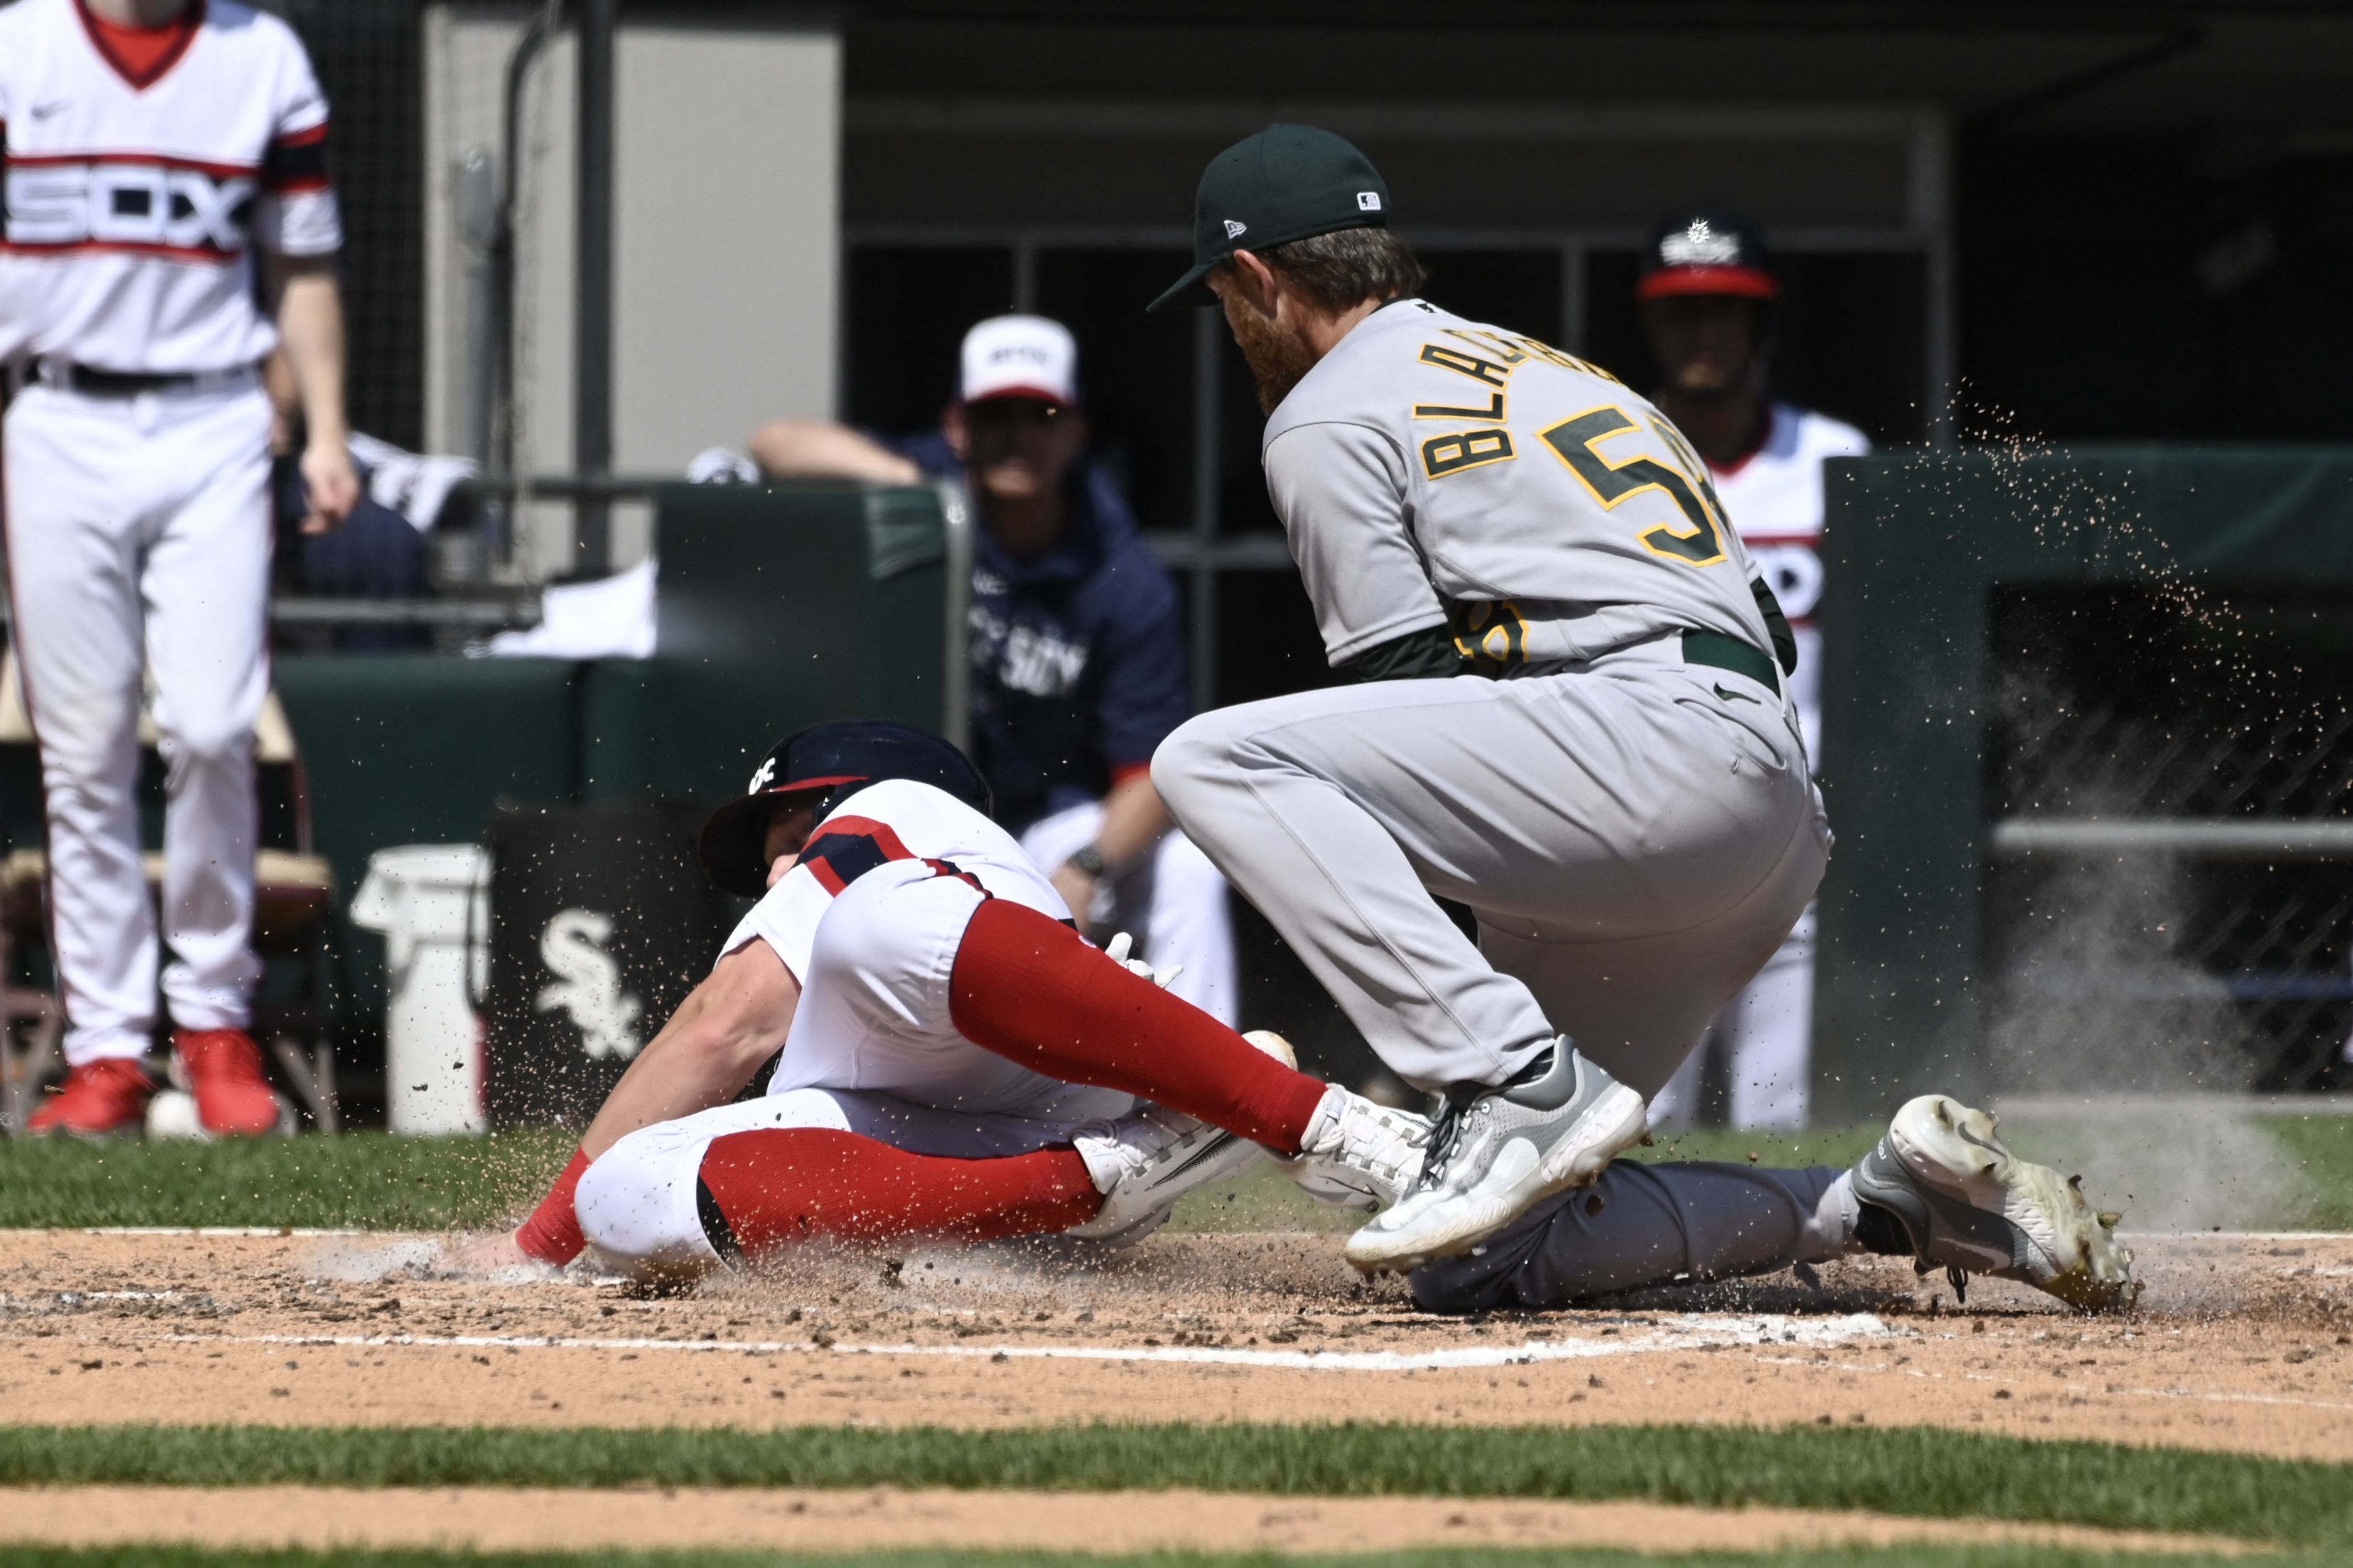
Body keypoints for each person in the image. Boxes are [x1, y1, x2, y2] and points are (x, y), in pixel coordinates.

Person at [1139, 125, 2133, 1313]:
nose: (1230, 330)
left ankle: (1507, 1074)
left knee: (1214, 758)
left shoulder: (1320, 412)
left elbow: (1399, 700)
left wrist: (1457, 1006)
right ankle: (1893, 1201)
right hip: (1755, 802)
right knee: (1488, 1258)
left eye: (1223, 303)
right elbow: (1759, 621)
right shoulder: (1557, 372)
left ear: (1258, 278)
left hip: (1641, 756)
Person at [460, 721, 1430, 1279]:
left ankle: (1326, 1124)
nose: (775, 879)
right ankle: (1105, 1175)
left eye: (785, 839)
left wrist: (535, 1250)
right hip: (999, 1128)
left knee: (872, 920)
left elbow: (725, 1024)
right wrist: (577, 1223)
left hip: (999, 1015)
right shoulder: (867, 908)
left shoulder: (896, 814)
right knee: (624, 1188)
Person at [1, 0, 358, 1136]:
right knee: (84, 743)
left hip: (215, 423)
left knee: (211, 725)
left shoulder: (261, 55)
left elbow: (304, 264)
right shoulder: (20, 44)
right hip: (57, 414)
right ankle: (106, 1045)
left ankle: (213, 1019)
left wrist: (331, 433)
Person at [747, 316, 1237, 1025]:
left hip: (1044, 824)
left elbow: (1151, 770)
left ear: (1075, 431)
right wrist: (907, 488)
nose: (1017, 434)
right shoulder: (931, 488)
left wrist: (1087, 867)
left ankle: (1213, 1095)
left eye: (1040, 414)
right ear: (957, 426)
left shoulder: (1121, 570)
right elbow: (774, 444)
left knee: (1190, 865)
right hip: (907, 806)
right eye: (993, 414)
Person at [1634, 213, 1870, 1134]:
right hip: (1648, 819)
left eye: (1727, 312)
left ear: (1762, 325)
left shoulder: (1835, 459)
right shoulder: (1611, 449)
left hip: (1800, 823)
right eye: (1683, 313)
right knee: (1638, 1123)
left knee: (1787, 1121)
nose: (1704, 334)